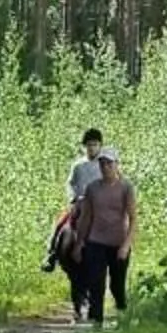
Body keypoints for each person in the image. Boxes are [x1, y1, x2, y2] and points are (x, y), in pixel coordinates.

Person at [70, 143, 137, 326]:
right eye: (102, 164)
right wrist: (79, 244)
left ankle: (123, 315)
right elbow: (86, 218)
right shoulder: (92, 188)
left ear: (117, 165)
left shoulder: (126, 187)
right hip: (96, 241)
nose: (105, 167)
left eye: (109, 164)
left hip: (118, 243)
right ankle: (96, 323)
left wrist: (126, 245)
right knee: (96, 283)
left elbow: (133, 219)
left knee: (117, 285)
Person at [50, 127, 108, 318]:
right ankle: (51, 252)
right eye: (89, 145)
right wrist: (74, 197)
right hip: (80, 203)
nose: (91, 148)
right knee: (61, 223)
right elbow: (70, 184)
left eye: (95, 145)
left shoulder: (105, 165)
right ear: (84, 147)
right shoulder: (78, 166)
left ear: (100, 146)